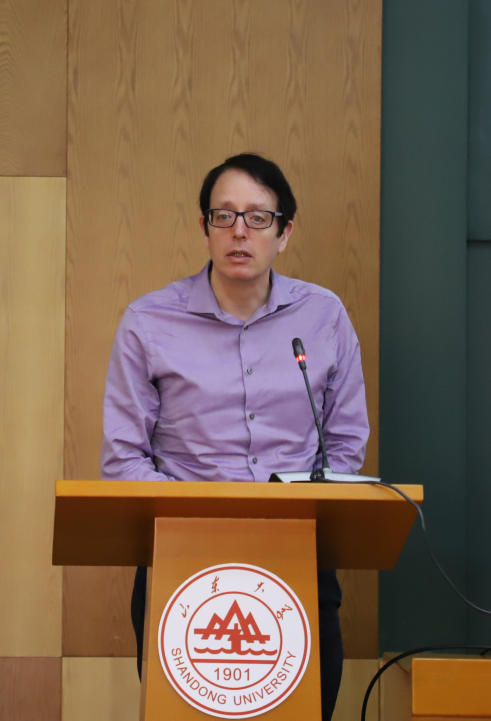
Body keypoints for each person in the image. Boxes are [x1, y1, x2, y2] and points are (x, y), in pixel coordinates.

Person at [101, 153, 369, 719]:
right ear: (205, 229)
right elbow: (123, 458)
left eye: (258, 217)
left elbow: (345, 444)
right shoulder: (148, 322)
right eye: (223, 216)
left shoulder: (323, 317)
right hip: (181, 559)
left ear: (284, 233)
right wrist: (200, 517)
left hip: (298, 553)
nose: (239, 231)